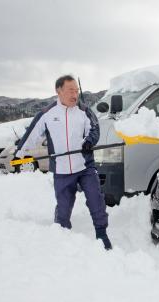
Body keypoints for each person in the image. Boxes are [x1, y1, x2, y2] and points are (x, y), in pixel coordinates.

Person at [15, 75, 112, 250]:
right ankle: (61, 234)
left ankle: (101, 233)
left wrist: (89, 141)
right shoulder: (47, 114)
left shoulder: (84, 111)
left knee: (96, 199)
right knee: (64, 207)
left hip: (84, 167)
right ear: (58, 91)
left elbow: (95, 129)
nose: (75, 94)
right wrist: (20, 152)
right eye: (70, 91)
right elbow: (32, 133)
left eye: (77, 91)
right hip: (61, 170)